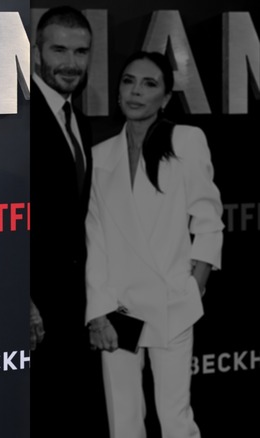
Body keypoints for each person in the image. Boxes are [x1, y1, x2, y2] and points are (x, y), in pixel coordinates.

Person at [85, 50, 223, 438]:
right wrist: (99, 312)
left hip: (171, 303)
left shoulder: (186, 141)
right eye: (128, 82)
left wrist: (193, 286)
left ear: (165, 97)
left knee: (175, 420)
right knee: (124, 422)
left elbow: (209, 220)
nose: (136, 92)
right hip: (119, 308)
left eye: (149, 84)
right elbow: (96, 241)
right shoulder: (100, 157)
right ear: (117, 92)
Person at [30, 5, 108, 436]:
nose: (71, 63)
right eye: (59, 50)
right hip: (38, 308)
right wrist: (21, 298)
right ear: (37, 52)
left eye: (81, 52)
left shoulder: (77, 118)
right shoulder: (21, 117)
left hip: (74, 304)